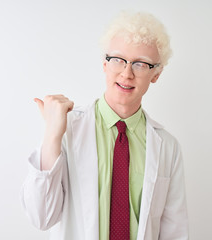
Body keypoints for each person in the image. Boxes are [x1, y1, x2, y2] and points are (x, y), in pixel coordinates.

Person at [21, 11, 189, 240]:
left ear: (156, 74)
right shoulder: (66, 128)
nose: (126, 73)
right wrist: (52, 134)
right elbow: (41, 217)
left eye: (140, 64)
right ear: (104, 64)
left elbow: (175, 232)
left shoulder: (168, 147)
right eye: (118, 60)